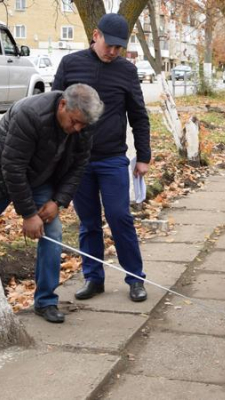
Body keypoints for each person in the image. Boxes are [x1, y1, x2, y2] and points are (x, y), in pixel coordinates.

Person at [0, 84, 104, 323]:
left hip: (40, 178)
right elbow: (12, 167)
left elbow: (78, 166)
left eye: (83, 125)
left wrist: (57, 202)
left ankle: (46, 301)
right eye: (74, 121)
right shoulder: (30, 114)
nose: (77, 129)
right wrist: (29, 214)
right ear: (62, 105)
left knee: (54, 232)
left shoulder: (84, 125)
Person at [52, 13, 151, 303]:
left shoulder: (126, 71)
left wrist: (143, 156)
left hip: (112, 159)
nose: (113, 52)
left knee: (120, 217)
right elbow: (54, 108)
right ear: (96, 35)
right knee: (89, 222)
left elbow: (138, 115)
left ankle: (135, 278)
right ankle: (94, 278)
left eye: (119, 47)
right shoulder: (71, 64)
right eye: (110, 45)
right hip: (76, 161)